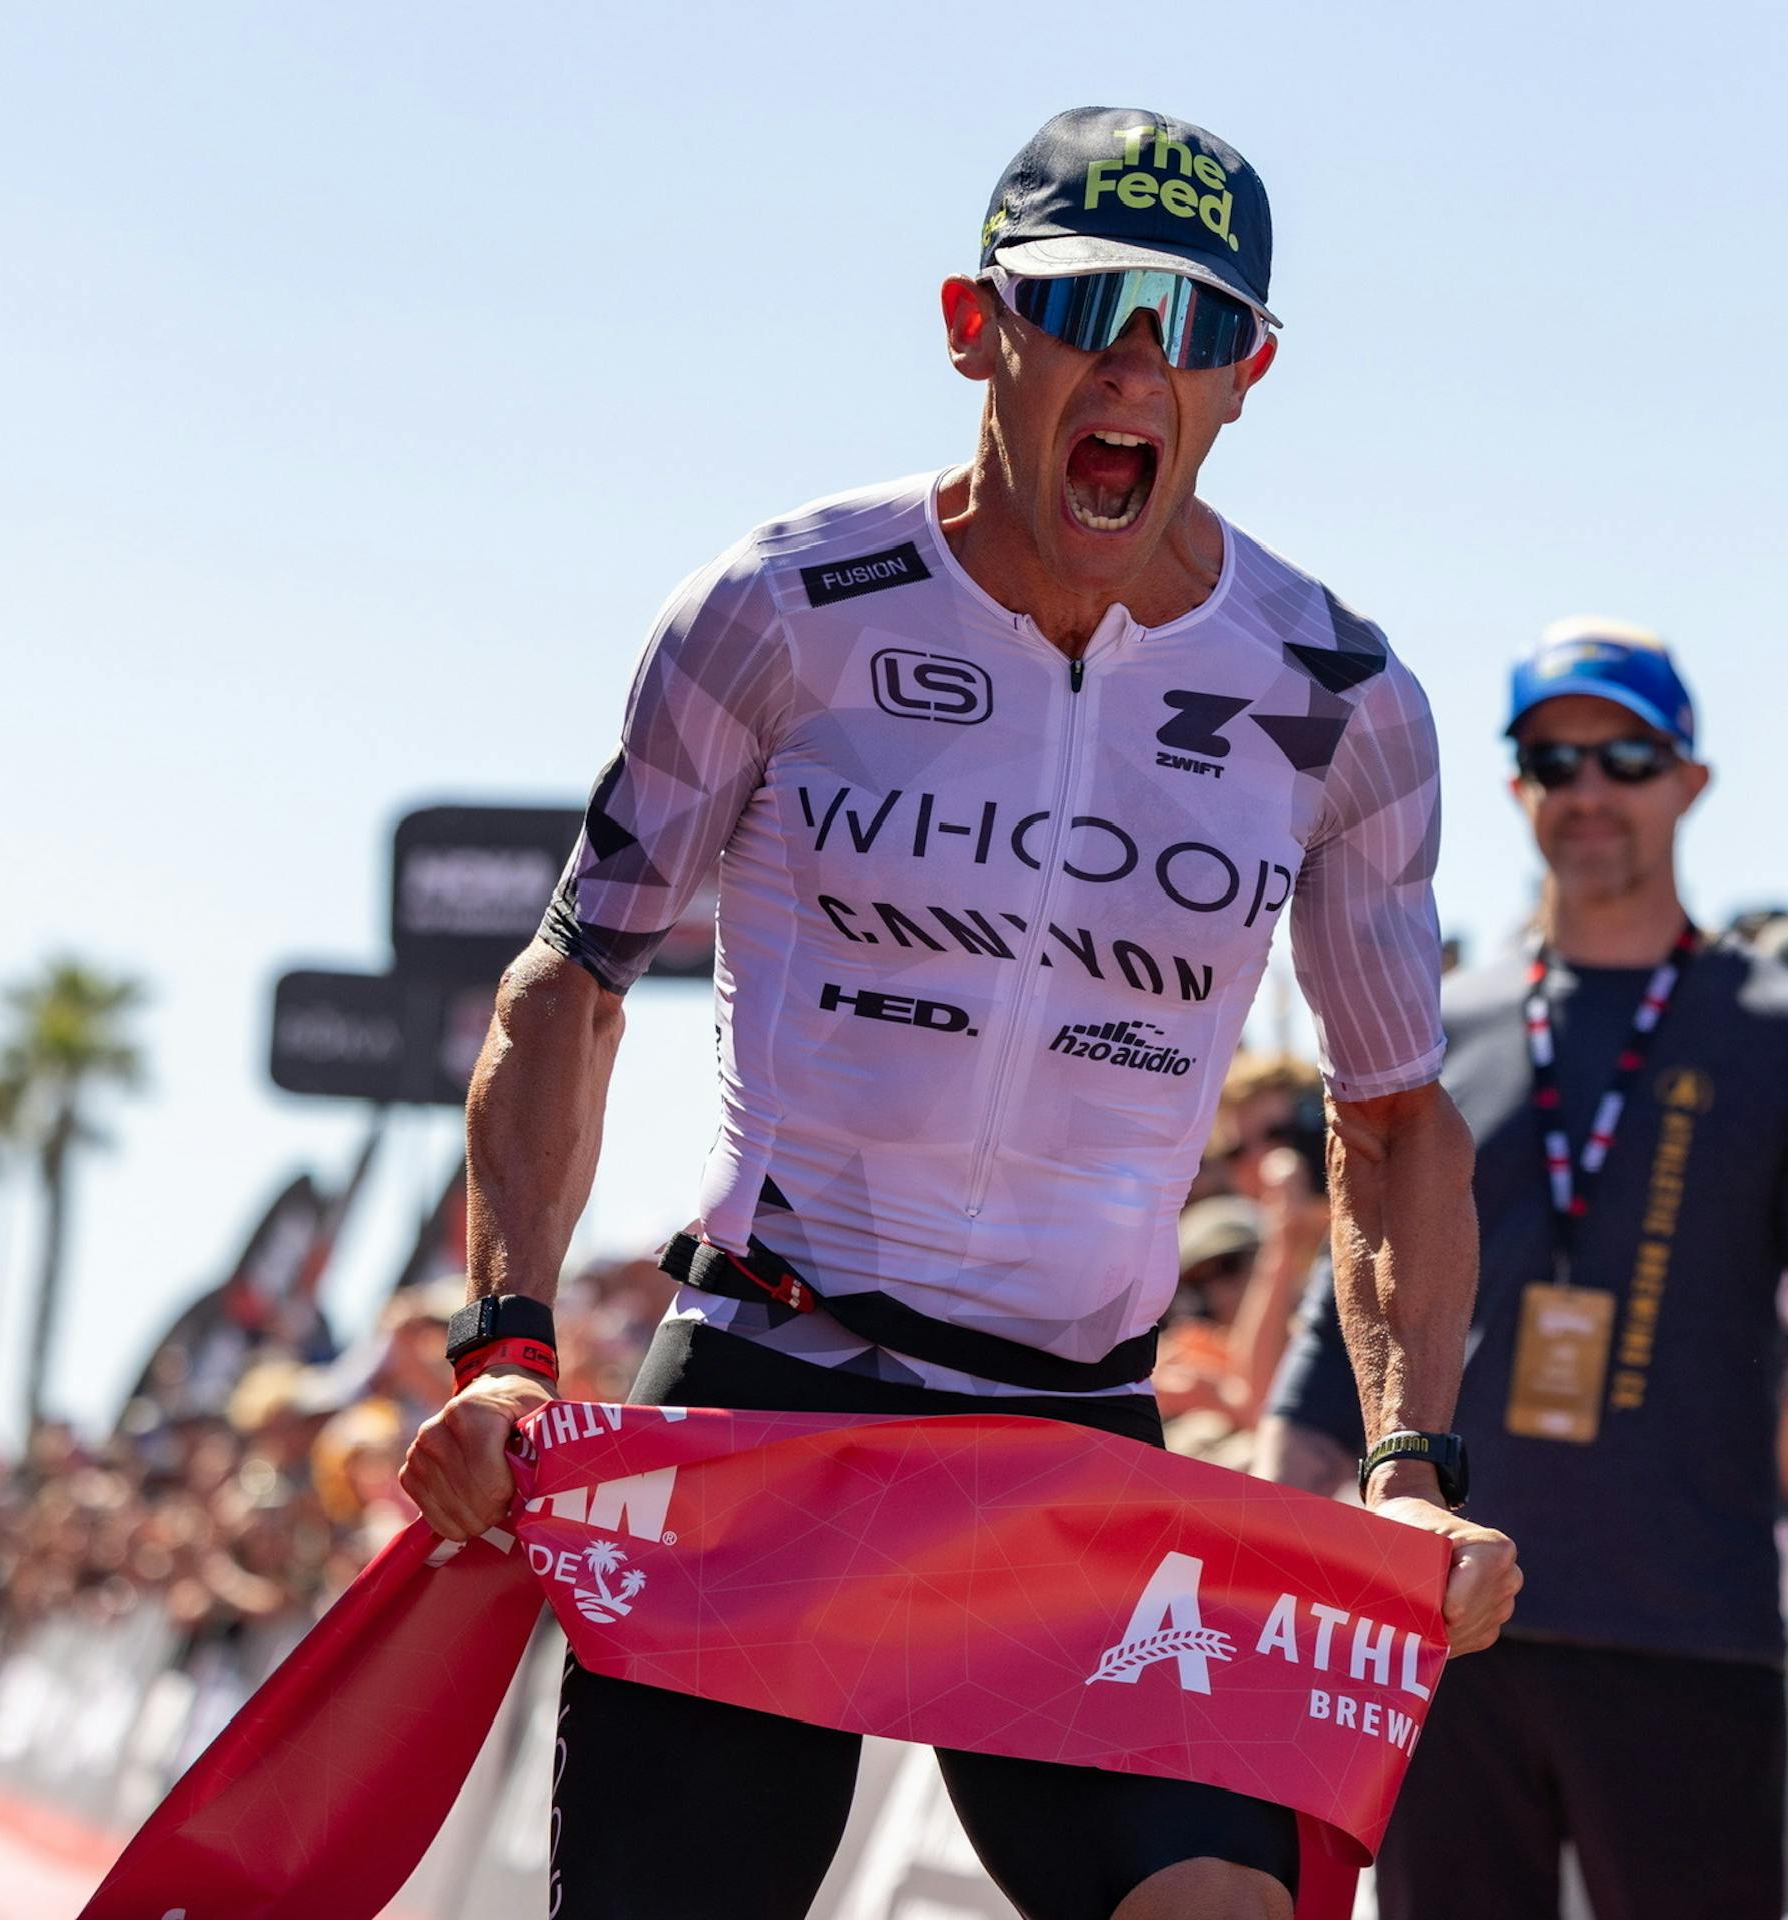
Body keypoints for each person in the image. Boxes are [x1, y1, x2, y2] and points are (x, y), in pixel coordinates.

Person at [400, 106, 1519, 1920]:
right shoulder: (778, 609)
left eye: (1194, 324)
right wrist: (505, 1346)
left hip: (1071, 1438)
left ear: (1248, 375)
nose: (1136, 365)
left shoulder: (1338, 698)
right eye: (1085, 305)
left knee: (1216, 1913)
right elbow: (574, 982)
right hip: (767, 1404)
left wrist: (1409, 1470)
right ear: (971, 325)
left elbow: (1390, 1119)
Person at [1257, 620, 1788, 1920]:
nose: (1588, 791)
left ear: (1689, 781)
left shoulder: (1787, 1032)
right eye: (1553, 760)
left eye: (1626, 758)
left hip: (1687, 1631)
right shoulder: (1434, 1023)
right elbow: (1337, 1325)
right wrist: (1270, 1555)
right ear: (1515, 787)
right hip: (1442, 1623)